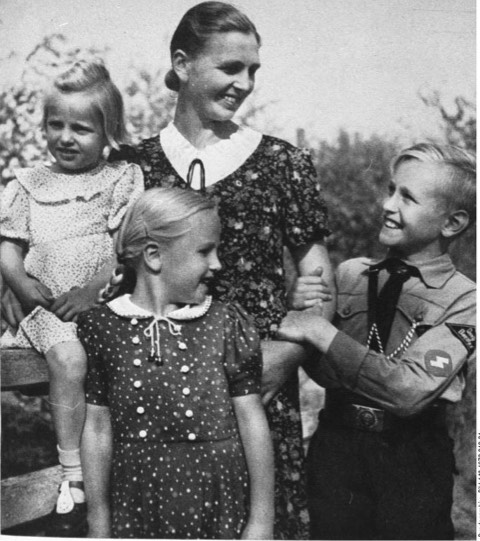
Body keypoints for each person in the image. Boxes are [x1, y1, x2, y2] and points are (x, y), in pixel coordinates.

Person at [106, 2, 335, 538]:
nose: (245, 84)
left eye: (253, 70)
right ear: (182, 64)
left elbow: (318, 280)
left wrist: (288, 355)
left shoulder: (282, 163)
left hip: (258, 392)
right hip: (153, 393)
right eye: (230, 68)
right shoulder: (131, 166)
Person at [278, 143, 476, 540]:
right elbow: (321, 369)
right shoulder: (351, 274)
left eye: (407, 198)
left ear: (452, 223)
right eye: (390, 190)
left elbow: (409, 390)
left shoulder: (464, 299)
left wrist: (322, 332)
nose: (387, 205)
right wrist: (298, 309)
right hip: (335, 450)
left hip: (410, 460)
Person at [78, 187, 274, 539]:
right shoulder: (103, 327)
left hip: (215, 497)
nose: (217, 264)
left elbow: (252, 420)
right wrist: (98, 520)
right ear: (154, 256)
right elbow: (97, 428)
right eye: (205, 251)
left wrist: (261, 520)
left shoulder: (224, 323)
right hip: (136, 499)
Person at [0, 59, 144, 537]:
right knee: (68, 358)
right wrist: (21, 284)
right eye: (55, 124)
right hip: (45, 307)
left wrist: (92, 291)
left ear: (108, 132)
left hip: (98, 305)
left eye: (80, 128)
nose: (65, 137)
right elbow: (7, 248)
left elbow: (122, 250)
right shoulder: (28, 183)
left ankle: (121, 469)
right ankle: (72, 474)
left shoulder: (121, 178)